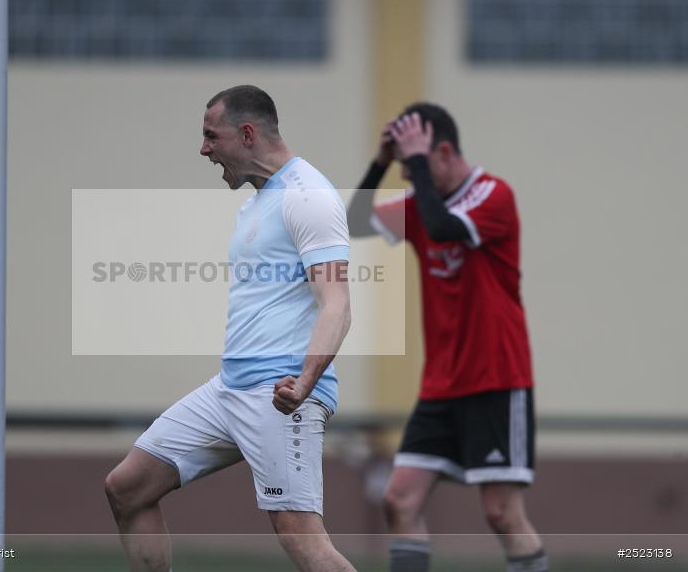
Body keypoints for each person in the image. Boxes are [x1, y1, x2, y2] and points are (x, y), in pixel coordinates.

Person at [105, 85, 355, 572]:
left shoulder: (309, 197)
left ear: (245, 133)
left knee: (301, 538)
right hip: (231, 388)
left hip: (282, 392)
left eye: (209, 136)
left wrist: (304, 384)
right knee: (127, 488)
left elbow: (338, 305)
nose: (203, 149)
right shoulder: (257, 203)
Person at [347, 103, 547, 572]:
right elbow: (353, 224)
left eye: (414, 163)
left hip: (497, 378)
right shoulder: (421, 204)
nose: (408, 178)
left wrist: (414, 162)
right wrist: (380, 161)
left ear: (441, 152)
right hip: (440, 384)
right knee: (399, 500)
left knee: (501, 513)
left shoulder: (493, 195)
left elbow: (443, 227)